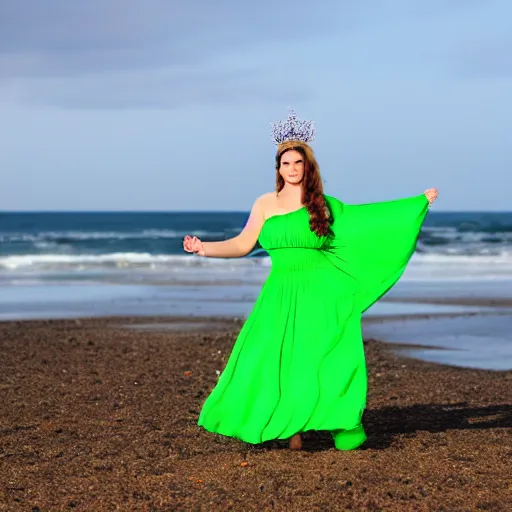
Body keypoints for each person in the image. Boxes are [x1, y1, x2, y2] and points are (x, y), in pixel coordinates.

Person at [183, 109, 438, 450]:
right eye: (285, 163)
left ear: (307, 166)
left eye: (297, 163)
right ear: (278, 168)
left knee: (322, 357)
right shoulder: (265, 203)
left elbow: (368, 223)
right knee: (270, 356)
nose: (291, 169)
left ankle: (340, 423)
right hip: (281, 291)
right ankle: (291, 430)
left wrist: (415, 205)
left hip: (322, 291)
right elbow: (243, 244)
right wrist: (205, 249)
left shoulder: (323, 205)